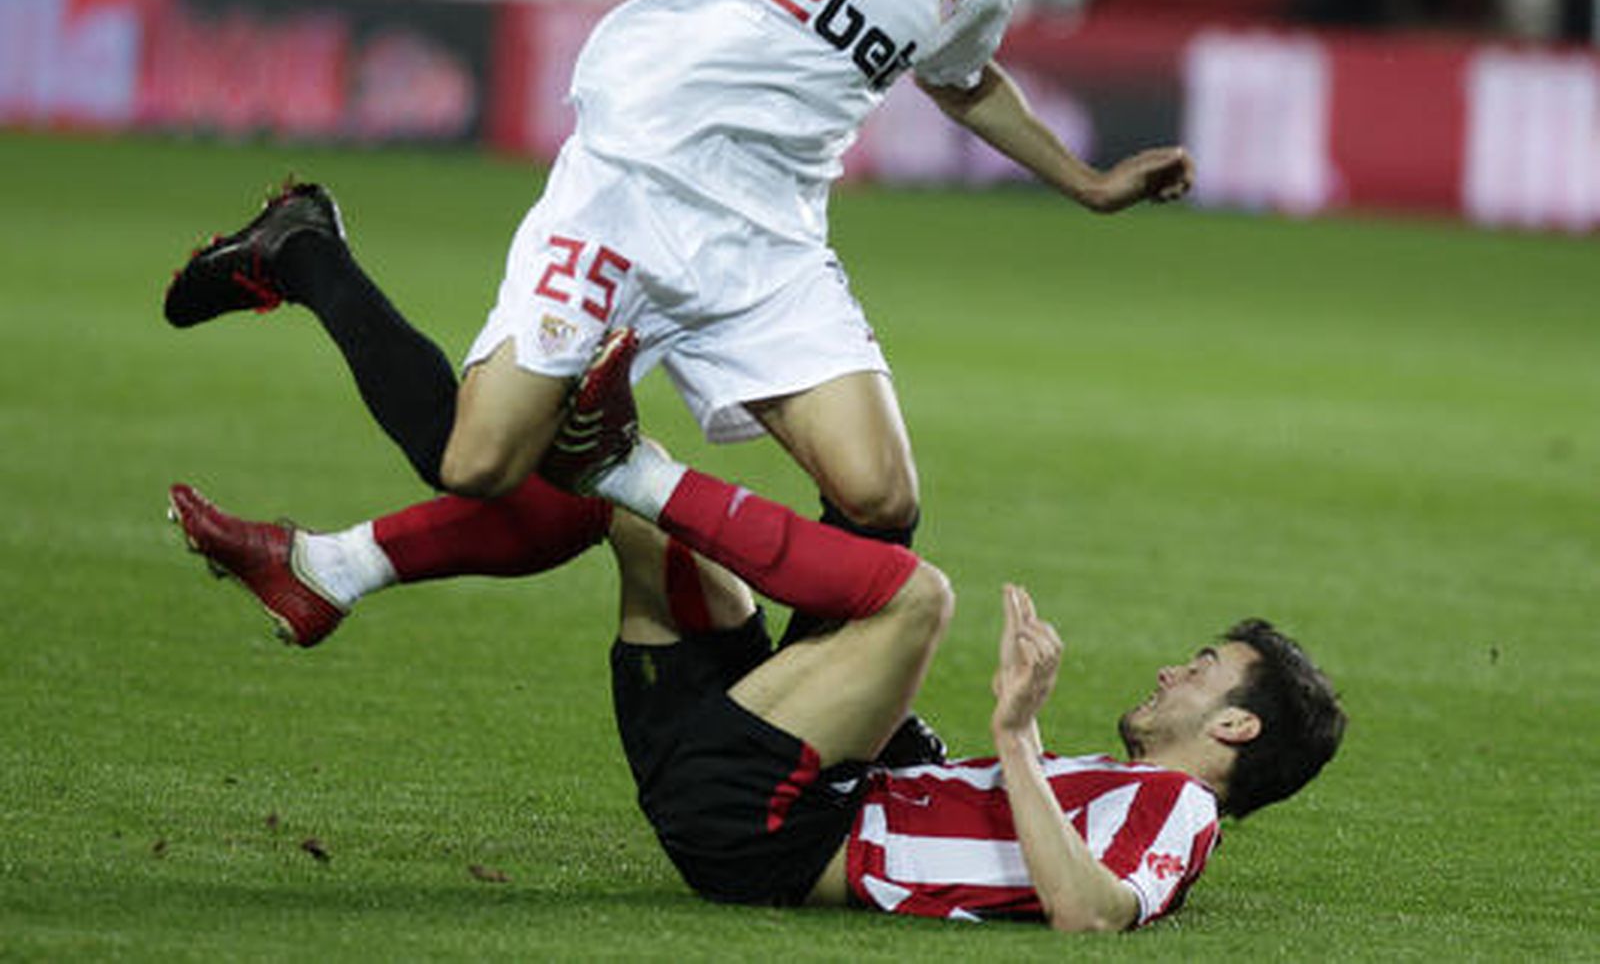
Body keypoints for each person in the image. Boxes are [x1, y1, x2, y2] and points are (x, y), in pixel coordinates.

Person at [163, 0, 1192, 758]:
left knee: (879, 497)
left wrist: (1086, 182)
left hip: (768, 245)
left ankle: (809, 712)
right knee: (476, 465)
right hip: (629, 189)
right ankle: (305, 250)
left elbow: (963, 79)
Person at [166, 327, 1345, 931]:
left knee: (917, 594)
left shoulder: (1180, 810)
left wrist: (1017, 728)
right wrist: (935, 740)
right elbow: (971, 825)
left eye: (1203, 670)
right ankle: (333, 560)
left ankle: (608, 461)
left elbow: (1092, 914)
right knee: (619, 515)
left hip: (766, 828)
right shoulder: (1128, 785)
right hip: (761, 788)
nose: (1171, 670)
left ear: (1235, 726)